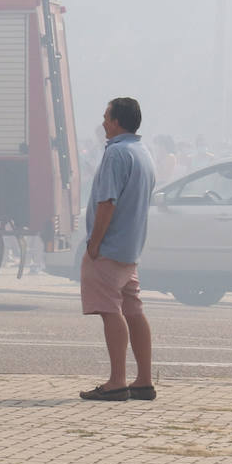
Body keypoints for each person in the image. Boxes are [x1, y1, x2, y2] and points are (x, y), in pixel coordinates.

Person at [79, 97, 156, 401]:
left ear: (116, 121)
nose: (102, 123)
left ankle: (117, 381)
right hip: (131, 247)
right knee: (133, 311)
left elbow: (107, 202)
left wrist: (94, 243)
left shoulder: (116, 153)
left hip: (110, 247)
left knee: (110, 311)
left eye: (106, 117)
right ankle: (144, 380)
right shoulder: (142, 151)